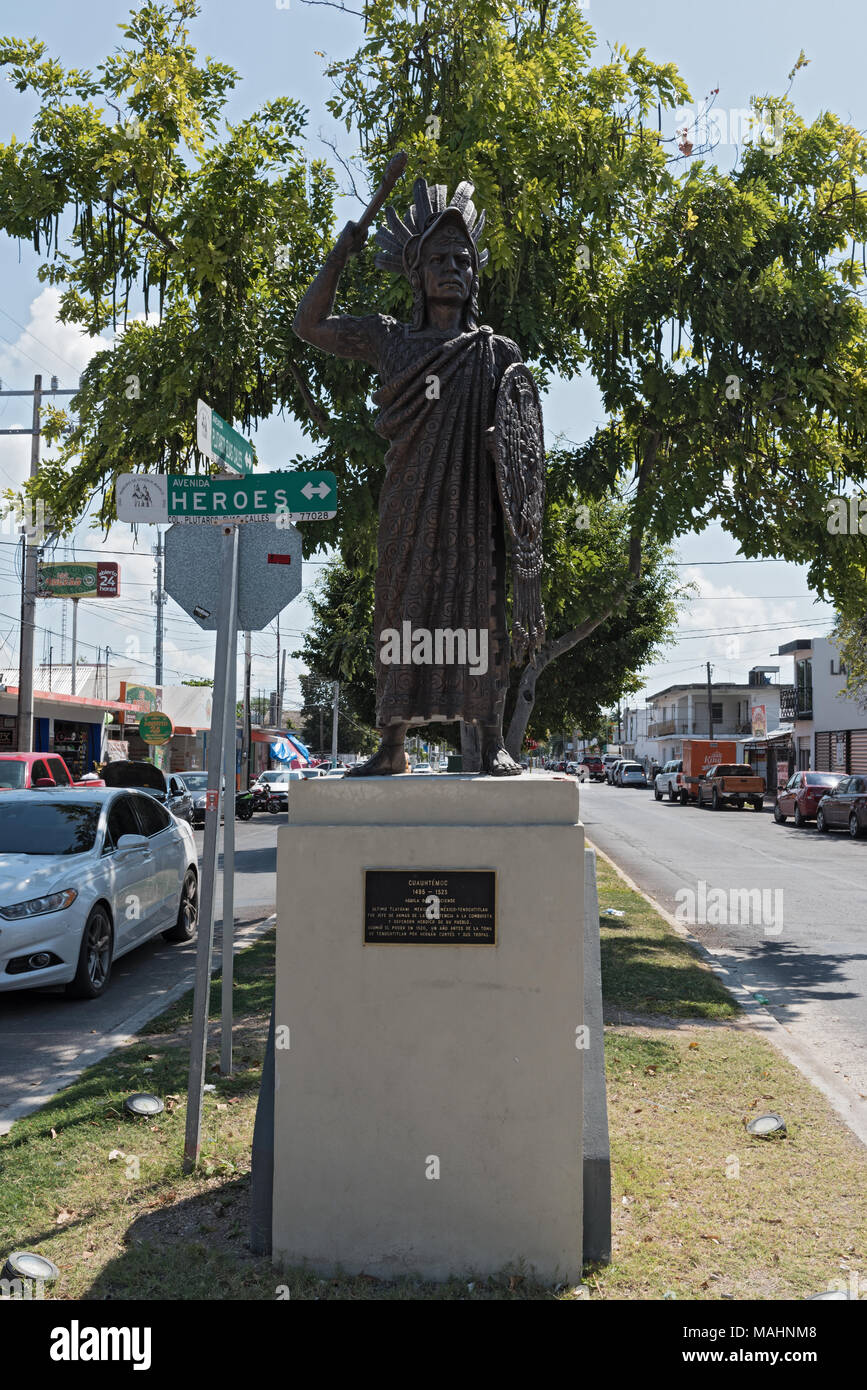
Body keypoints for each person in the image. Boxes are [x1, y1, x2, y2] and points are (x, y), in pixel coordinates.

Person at [293, 175, 544, 776]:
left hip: (475, 512)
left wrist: (531, 567)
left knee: (478, 611)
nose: (452, 268)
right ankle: (392, 744)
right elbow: (309, 324)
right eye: (438, 259)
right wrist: (339, 253)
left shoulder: (497, 353)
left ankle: (490, 741)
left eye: (463, 259)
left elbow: (525, 461)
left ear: (475, 272)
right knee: (400, 615)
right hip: (408, 509)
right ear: (416, 271)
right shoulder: (392, 339)